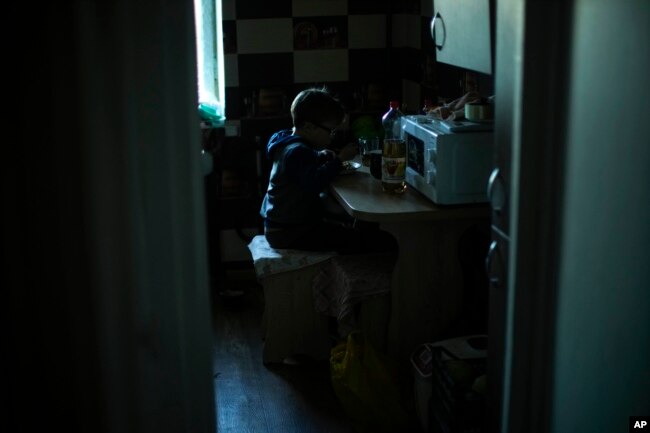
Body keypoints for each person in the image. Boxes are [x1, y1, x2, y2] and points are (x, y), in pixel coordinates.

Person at [260, 87, 398, 256]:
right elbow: (315, 183)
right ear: (309, 127)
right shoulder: (299, 151)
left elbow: (298, 169)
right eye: (330, 131)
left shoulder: (285, 141)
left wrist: (319, 155)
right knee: (371, 240)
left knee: (353, 226)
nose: (332, 136)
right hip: (292, 232)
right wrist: (339, 160)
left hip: (280, 226)